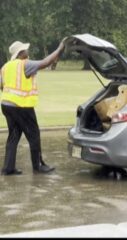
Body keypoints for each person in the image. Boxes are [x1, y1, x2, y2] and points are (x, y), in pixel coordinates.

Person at [0, 40, 64, 175]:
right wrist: (60, 47)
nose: (27, 52)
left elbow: (2, 86)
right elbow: (46, 62)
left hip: (6, 105)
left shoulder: (6, 66)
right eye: (25, 50)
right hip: (21, 106)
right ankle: (38, 166)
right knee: (34, 134)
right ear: (21, 53)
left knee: (14, 135)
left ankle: (8, 168)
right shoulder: (25, 64)